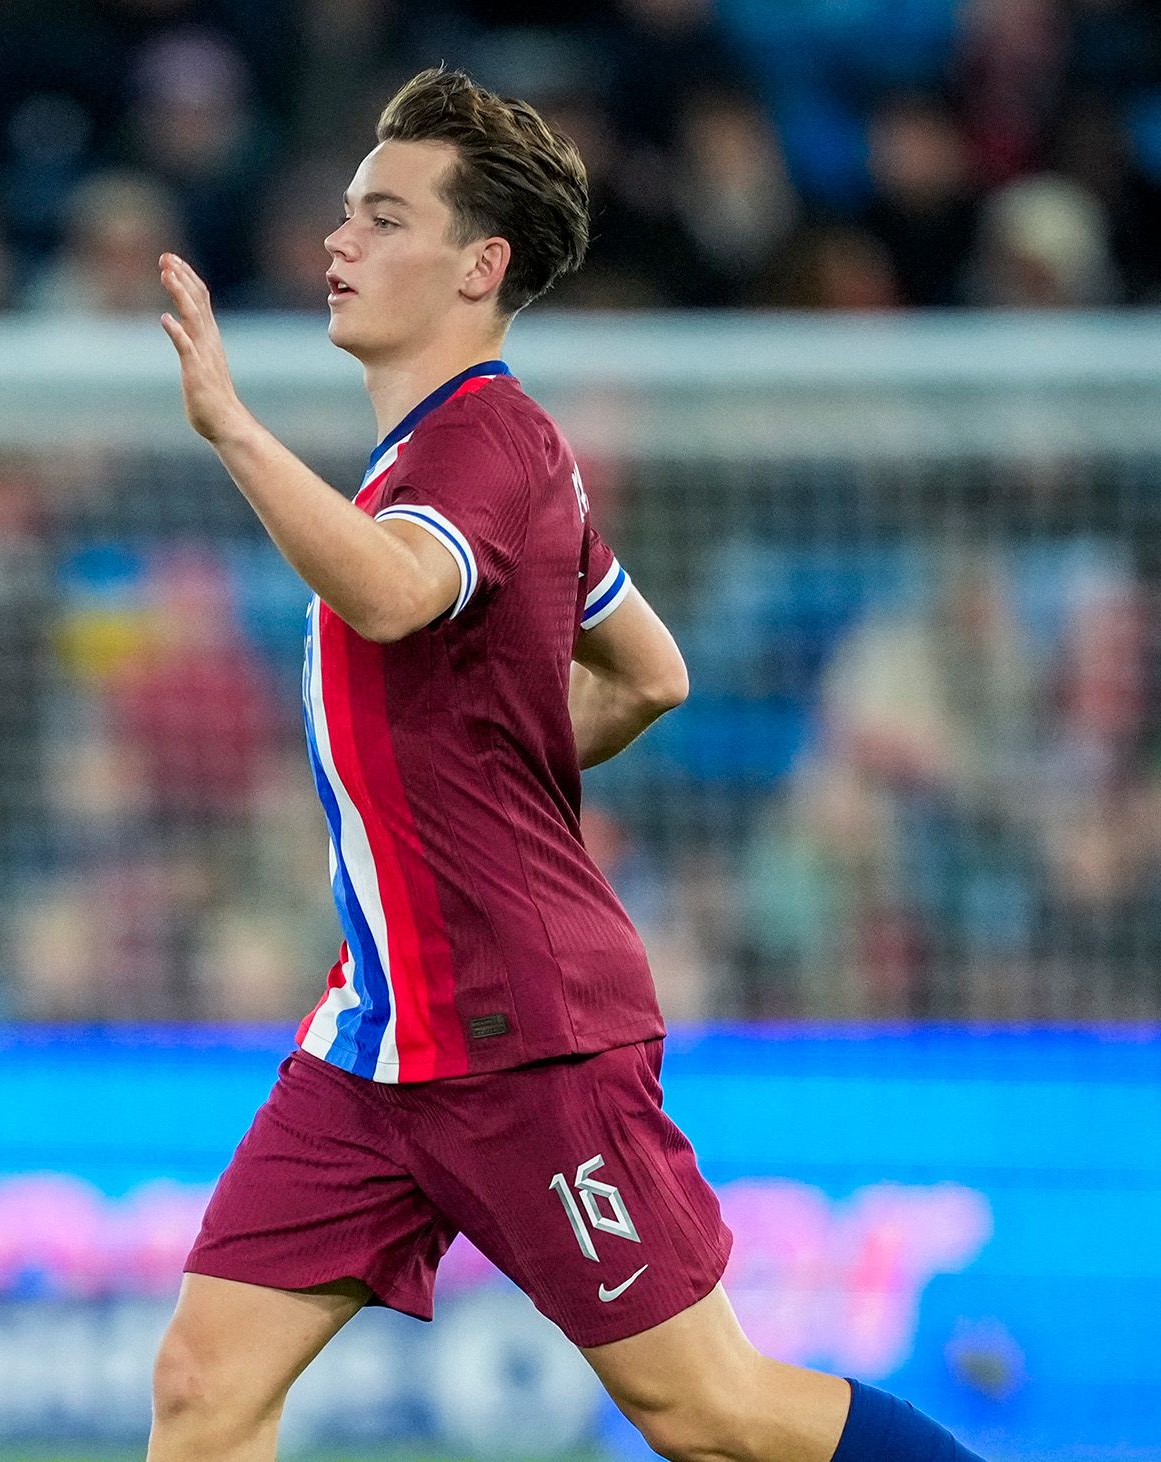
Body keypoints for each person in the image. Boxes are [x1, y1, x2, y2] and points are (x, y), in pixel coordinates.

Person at [148, 67, 984, 1462]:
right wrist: (485, 770)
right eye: (347, 214)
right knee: (203, 1380)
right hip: (378, 1038)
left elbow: (397, 595)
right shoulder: (455, 457)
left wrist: (235, 431)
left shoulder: (486, 443)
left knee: (708, 1408)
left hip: (522, 1032)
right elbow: (652, 671)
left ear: (480, 267)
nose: (339, 244)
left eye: (383, 218)